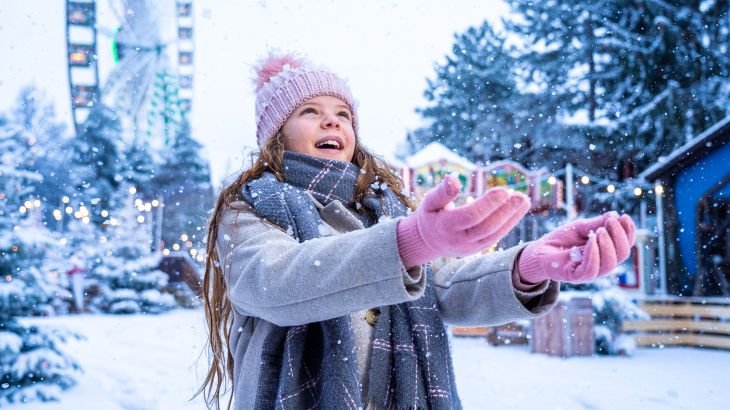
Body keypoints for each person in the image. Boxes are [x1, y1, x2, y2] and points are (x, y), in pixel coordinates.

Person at [196, 54, 636, 409]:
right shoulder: (247, 207)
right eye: (310, 111)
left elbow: (444, 284)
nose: (332, 122)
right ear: (275, 136)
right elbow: (275, 283)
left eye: (343, 114)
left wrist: (528, 266)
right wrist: (409, 243)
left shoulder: (385, 206)